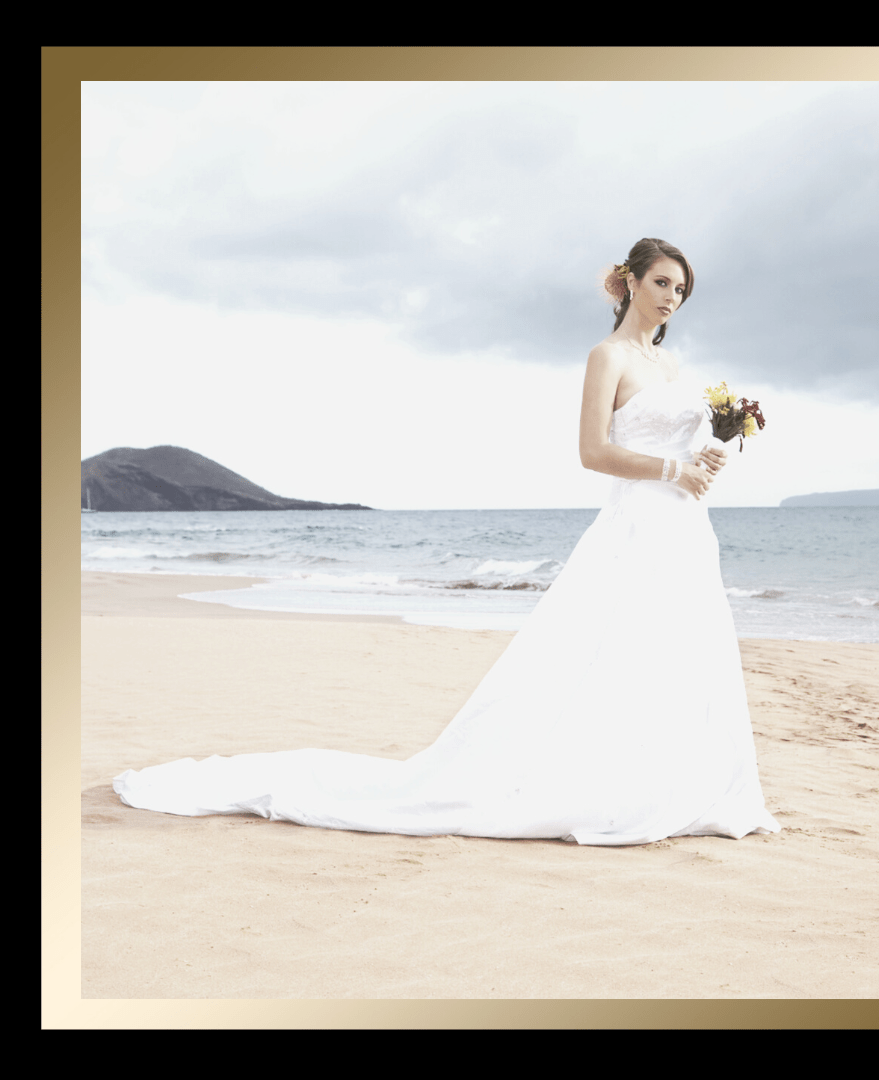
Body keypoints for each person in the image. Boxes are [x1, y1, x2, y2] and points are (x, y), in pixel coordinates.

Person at [114, 238, 781, 846]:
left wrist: (705, 459)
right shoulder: (605, 358)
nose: (672, 298)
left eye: (682, 290)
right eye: (663, 283)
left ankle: (672, 785)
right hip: (636, 520)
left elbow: (680, 446)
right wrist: (672, 469)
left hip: (685, 527)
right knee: (609, 650)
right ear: (630, 283)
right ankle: (598, 789)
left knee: (677, 651)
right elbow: (592, 451)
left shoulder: (671, 362)